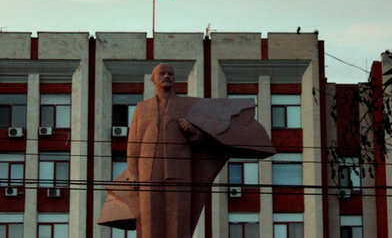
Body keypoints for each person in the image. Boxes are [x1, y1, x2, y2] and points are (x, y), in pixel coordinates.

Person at [98, 63, 274, 237]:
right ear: (154, 79)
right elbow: (133, 142)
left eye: (170, 74)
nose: (167, 76)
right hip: (148, 171)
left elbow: (205, 137)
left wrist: (194, 132)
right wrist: (133, 172)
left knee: (179, 218)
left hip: (179, 169)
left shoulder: (188, 105)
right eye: (162, 73)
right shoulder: (142, 108)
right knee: (149, 217)